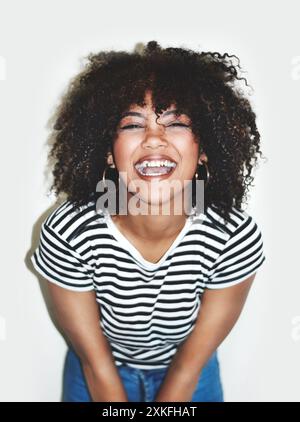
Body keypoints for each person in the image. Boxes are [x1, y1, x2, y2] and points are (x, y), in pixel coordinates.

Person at [30, 40, 267, 402]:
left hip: (190, 367)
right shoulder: (68, 233)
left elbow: (189, 369)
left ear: (203, 150)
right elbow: (96, 364)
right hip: (98, 366)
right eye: (132, 125)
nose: (154, 139)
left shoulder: (232, 236)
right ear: (108, 154)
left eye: (175, 123)